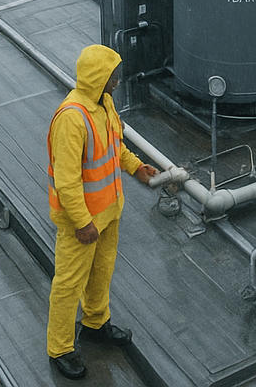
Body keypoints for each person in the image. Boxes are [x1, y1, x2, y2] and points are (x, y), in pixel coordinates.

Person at [46, 45, 158, 380]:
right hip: (83, 222)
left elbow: (113, 146)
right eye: (113, 75)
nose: (118, 80)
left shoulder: (104, 104)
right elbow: (67, 181)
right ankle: (60, 348)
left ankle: (95, 324)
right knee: (68, 284)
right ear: (99, 78)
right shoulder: (72, 118)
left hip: (108, 212)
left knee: (101, 272)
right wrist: (82, 222)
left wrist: (136, 167)